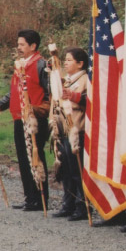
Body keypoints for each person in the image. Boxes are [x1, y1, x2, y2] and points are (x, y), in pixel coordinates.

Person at [0, 29, 50, 211]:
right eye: (19, 44)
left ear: (33, 46)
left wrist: (40, 111)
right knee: (23, 158)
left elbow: (49, 93)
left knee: (35, 157)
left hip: (34, 119)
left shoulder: (41, 65)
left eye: (22, 44)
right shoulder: (20, 65)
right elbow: (13, 93)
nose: (19, 47)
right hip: (18, 118)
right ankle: (30, 197)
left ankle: (40, 198)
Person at [50, 47, 88, 221]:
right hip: (64, 130)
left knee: (77, 170)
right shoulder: (66, 81)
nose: (66, 62)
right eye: (64, 59)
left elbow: (87, 100)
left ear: (80, 63)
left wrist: (72, 96)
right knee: (66, 169)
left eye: (70, 60)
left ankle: (82, 205)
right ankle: (68, 202)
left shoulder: (85, 80)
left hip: (77, 130)